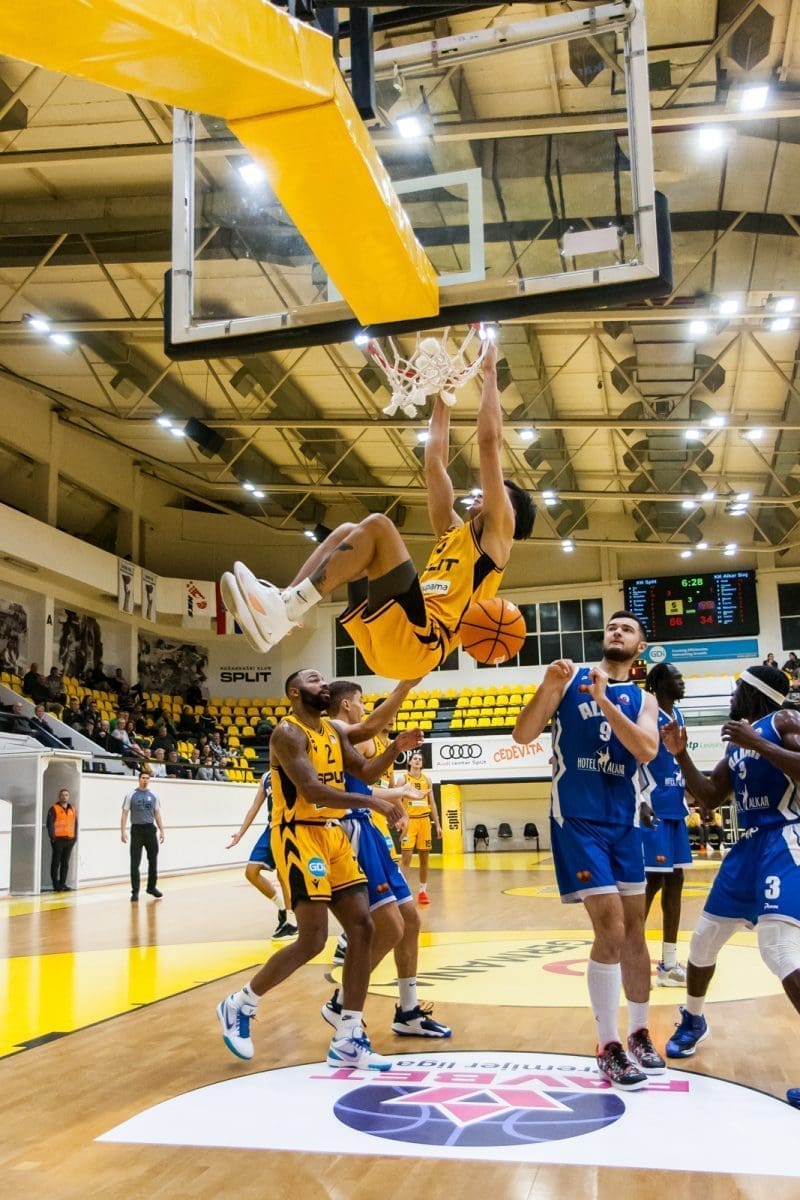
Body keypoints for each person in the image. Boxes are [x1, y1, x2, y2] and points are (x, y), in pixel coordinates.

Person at [220, 340, 536, 676]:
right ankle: (283, 610)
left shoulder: (497, 540)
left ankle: (288, 607)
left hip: (421, 642)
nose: (485, 492)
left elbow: (488, 443)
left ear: (510, 514)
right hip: (391, 642)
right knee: (347, 533)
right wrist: (444, 398)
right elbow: (434, 463)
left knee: (379, 526)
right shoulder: (452, 533)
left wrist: (489, 371)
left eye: (497, 494)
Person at [216, 668, 420, 1070]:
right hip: (298, 836)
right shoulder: (287, 733)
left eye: (324, 680)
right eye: (313, 680)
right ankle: (240, 1003)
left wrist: (395, 748)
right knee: (312, 940)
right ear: (294, 692)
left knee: (363, 927)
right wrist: (372, 803)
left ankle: (348, 1037)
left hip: (333, 835)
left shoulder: (331, 731)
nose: (323, 684)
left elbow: (365, 773)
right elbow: (311, 790)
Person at [512, 611, 664, 1091]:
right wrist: (546, 687)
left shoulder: (644, 699)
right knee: (612, 926)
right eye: (612, 627)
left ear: (640, 647)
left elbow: (646, 749)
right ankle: (607, 1044)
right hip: (576, 818)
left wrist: (604, 702)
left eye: (627, 629)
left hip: (623, 820)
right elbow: (522, 735)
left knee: (636, 930)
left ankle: (639, 1031)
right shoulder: (568, 677)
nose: (616, 632)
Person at [659, 664, 800, 1112]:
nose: (732, 694)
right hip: (749, 846)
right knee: (703, 941)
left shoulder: (784, 720)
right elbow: (708, 796)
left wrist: (758, 743)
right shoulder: (737, 741)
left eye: (738, 687)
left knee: (778, 948)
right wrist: (681, 754)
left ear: (754, 691)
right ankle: (693, 1020)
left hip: (787, 839)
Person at [324, 678, 451, 1038]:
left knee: (410, 920)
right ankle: (342, 1001)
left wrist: (399, 795)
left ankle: (408, 1011)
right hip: (351, 830)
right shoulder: (340, 731)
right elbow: (372, 729)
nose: (365, 708)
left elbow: (366, 786)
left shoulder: (361, 739)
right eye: (361, 702)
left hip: (369, 828)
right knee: (389, 927)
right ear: (346, 705)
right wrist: (406, 684)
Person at [640, 664, 693, 987]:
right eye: (677, 678)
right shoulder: (647, 714)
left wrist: (691, 793)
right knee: (651, 882)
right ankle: (628, 956)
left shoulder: (679, 715)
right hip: (653, 807)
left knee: (676, 881)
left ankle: (669, 965)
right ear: (660, 683)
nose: (682, 683)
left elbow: (677, 761)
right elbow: (633, 757)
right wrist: (639, 800)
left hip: (675, 808)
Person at [226, 771, 298, 941]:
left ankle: (293, 922)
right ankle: (282, 907)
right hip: (271, 827)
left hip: (290, 826)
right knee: (251, 872)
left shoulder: (293, 769)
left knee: (283, 874)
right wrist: (240, 833)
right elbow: (254, 807)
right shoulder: (266, 777)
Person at [400, 750, 442, 905]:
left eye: (420, 759)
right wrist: (399, 818)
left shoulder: (427, 779)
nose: (417, 761)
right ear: (410, 762)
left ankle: (423, 892)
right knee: (406, 857)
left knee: (424, 858)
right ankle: (403, 892)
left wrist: (438, 825)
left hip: (424, 821)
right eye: (415, 758)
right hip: (409, 821)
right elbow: (396, 800)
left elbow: (432, 803)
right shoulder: (403, 779)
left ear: (422, 764)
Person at [121, 770, 165, 902]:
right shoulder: (131, 795)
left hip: (150, 829)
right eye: (143, 778)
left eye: (147, 778)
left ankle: (151, 887)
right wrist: (122, 831)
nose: (145, 780)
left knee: (153, 860)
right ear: (139, 779)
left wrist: (162, 830)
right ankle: (135, 891)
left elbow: (157, 813)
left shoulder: (154, 795)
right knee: (135, 862)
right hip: (137, 830)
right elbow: (125, 813)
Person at [47, 788, 77, 892]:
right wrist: (52, 838)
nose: (64, 797)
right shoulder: (54, 809)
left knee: (65, 863)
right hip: (58, 840)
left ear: (69, 797)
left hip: (69, 840)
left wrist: (75, 837)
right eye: (62, 795)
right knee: (56, 863)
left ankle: (63, 883)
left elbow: (75, 824)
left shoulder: (72, 809)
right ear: (59, 797)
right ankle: (56, 885)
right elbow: (50, 824)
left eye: (66, 795)